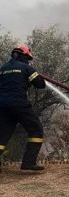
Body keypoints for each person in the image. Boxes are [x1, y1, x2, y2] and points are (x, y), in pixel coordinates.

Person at [0, 45, 46, 173]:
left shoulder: (2, 69)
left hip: (2, 106)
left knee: (2, 135)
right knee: (36, 130)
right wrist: (35, 76)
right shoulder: (26, 68)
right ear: (23, 56)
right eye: (28, 58)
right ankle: (28, 163)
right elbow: (40, 84)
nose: (28, 61)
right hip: (19, 104)